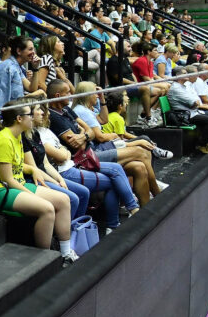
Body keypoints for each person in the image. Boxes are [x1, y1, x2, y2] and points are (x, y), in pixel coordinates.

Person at [0, 101, 78, 262]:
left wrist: (31, 169)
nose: (32, 117)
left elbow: (15, 164)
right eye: (29, 114)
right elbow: (7, 179)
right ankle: (44, 260)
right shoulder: (4, 139)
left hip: (14, 185)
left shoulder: (17, 136)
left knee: (63, 200)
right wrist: (32, 196)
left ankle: (66, 253)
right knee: (47, 208)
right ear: (19, 118)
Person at [45, 79, 140, 233]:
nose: (71, 95)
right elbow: (79, 144)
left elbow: (89, 130)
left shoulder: (67, 110)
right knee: (130, 159)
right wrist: (85, 135)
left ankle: (127, 213)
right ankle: (127, 213)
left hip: (90, 154)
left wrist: (83, 135)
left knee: (138, 159)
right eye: (67, 92)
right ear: (57, 95)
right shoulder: (54, 118)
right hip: (79, 161)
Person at [167, 67, 208, 154]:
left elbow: (196, 101)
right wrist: (195, 104)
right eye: (185, 73)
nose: (188, 75)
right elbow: (194, 102)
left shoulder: (184, 86)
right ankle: (203, 144)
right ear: (178, 76)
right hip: (184, 116)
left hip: (193, 111)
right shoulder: (176, 88)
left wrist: (195, 103)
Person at [0, 35, 47, 109]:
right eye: (30, 49)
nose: (33, 53)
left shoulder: (17, 67)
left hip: (12, 108)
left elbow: (31, 88)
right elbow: (0, 102)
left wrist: (35, 69)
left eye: (33, 49)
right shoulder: (7, 68)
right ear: (19, 51)